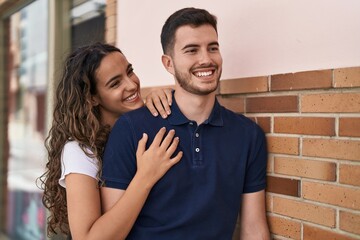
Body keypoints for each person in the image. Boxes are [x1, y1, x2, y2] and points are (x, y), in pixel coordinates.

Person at [101, 7, 270, 240]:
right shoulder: (131, 129)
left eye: (213, 48)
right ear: (168, 63)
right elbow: (111, 232)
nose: (206, 59)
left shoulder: (249, 135)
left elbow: (253, 228)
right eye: (192, 50)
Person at [37, 42, 183, 240]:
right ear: (93, 98)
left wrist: (160, 97)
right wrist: (145, 177)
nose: (131, 85)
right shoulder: (80, 150)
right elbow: (86, 237)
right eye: (115, 83)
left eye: (129, 72)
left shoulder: (136, 127)